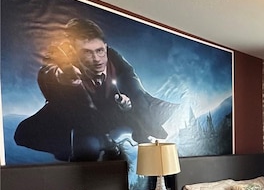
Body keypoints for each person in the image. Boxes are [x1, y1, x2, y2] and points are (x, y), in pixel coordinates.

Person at [14, 18, 177, 161]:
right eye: (87, 53)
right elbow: (48, 72)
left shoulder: (117, 61)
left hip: (115, 115)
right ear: (74, 53)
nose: (97, 59)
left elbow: (136, 90)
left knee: (159, 111)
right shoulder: (63, 63)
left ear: (105, 46)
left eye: (100, 51)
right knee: (26, 134)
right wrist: (62, 78)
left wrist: (130, 108)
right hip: (79, 119)